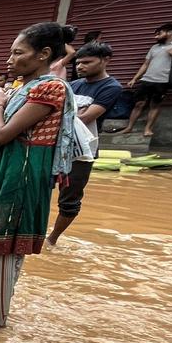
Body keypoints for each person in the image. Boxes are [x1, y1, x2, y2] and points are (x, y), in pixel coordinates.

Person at [0, 22, 78, 327]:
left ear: (43, 54)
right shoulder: (23, 88)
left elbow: (2, 135)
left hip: (22, 169)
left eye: (18, 53)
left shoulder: (49, 87)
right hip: (5, 168)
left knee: (6, 245)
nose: (9, 60)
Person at [48, 42, 122, 245]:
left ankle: (52, 240)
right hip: (57, 145)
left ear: (105, 60)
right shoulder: (74, 85)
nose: (80, 67)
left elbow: (85, 117)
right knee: (43, 189)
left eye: (87, 62)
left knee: (69, 199)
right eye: (78, 63)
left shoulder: (111, 87)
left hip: (83, 151)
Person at [114, 23, 172, 138]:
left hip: (163, 81)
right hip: (147, 79)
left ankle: (147, 129)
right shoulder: (154, 47)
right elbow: (146, 64)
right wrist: (134, 78)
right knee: (138, 104)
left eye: (159, 34)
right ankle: (129, 127)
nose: (156, 37)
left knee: (155, 105)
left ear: (170, 32)